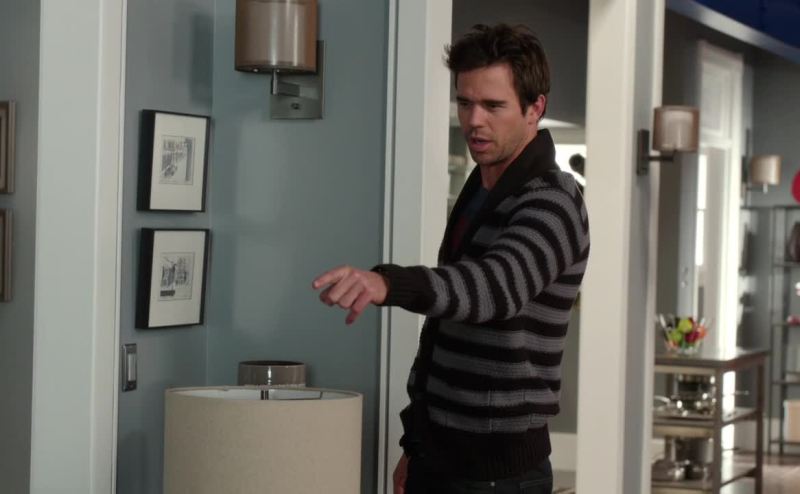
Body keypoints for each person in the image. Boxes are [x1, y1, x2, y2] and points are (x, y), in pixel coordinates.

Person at [313, 24, 590, 494]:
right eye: (465, 103)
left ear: (535, 108)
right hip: (439, 457)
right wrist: (416, 446)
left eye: (493, 106)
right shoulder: (481, 188)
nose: (474, 120)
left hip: (499, 474)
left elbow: (493, 289)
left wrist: (389, 284)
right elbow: (444, 334)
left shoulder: (553, 200)